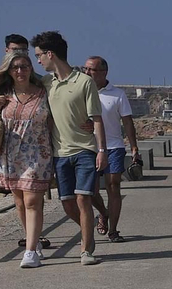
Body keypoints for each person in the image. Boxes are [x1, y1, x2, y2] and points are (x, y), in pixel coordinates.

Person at [31, 31, 104, 267]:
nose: (38, 61)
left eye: (39, 55)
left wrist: (101, 150)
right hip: (59, 153)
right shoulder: (45, 83)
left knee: (84, 199)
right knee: (67, 203)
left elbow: (97, 119)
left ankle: (86, 250)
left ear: (50, 54)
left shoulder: (84, 82)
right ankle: (88, 224)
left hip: (84, 149)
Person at [0, 52, 54, 269]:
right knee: (20, 202)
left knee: (32, 202)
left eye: (24, 66)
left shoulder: (44, 92)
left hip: (38, 154)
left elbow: (54, 121)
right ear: (8, 71)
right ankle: (34, 240)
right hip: (9, 155)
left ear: (31, 68)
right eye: (15, 68)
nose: (20, 71)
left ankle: (30, 251)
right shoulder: (1, 93)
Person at [82, 56, 137, 242]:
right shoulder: (81, 92)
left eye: (92, 70)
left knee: (113, 185)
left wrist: (134, 147)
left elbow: (127, 122)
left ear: (104, 72)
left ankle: (113, 231)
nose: (87, 73)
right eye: (85, 69)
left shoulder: (117, 94)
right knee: (91, 190)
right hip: (89, 147)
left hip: (114, 146)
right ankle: (103, 213)